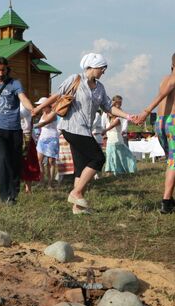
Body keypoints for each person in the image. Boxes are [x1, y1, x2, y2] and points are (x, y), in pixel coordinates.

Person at [32, 53, 136, 214]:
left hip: (85, 129)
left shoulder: (100, 88)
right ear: (92, 66)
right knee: (98, 158)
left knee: (81, 167)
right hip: (72, 127)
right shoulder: (76, 79)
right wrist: (38, 109)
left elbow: (108, 106)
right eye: (102, 68)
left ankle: (78, 207)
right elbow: (57, 95)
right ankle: (76, 193)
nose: (103, 71)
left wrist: (128, 116)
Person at [137, 51, 175, 213]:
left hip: (161, 121)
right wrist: (146, 111)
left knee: (171, 161)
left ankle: (170, 198)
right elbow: (162, 95)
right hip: (171, 121)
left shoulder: (164, 79)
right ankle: (166, 201)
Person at [0, 57, 35, 205]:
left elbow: (23, 99)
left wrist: (32, 109)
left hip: (14, 129)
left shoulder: (15, 84)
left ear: (8, 69)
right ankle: (5, 195)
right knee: (3, 160)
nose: (1, 73)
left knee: (15, 162)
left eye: (3, 70)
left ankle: (14, 192)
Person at [102, 95, 137, 176]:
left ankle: (122, 170)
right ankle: (110, 171)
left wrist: (105, 130)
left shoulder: (120, 115)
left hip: (117, 138)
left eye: (120, 103)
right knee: (110, 155)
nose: (119, 105)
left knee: (121, 155)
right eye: (117, 103)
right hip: (110, 138)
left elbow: (116, 123)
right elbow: (104, 123)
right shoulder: (106, 114)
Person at [34, 97, 60, 187]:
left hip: (52, 139)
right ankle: (42, 181)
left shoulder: (53, 114)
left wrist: (32, 126)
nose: (39, 107)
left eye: (41, 105)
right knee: (39, 161)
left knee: (51, 162)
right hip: (42, 139)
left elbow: (45, 123)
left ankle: (50, 183)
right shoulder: (43, 114)